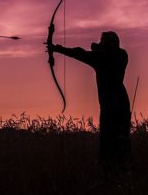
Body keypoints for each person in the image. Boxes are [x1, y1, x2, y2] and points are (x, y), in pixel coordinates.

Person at [49, 31, 131, 168]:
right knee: (120, 140)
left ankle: (110, 169)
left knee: (111, 140)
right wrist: (57, 48)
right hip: (121, 104)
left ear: (107, 43)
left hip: (111, 106)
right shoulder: (120, 55)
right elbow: (80, 53)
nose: (99, 43)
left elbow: (84, 54)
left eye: (102, 41)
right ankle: (120, 169)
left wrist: (57, 49)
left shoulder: (110, 56)